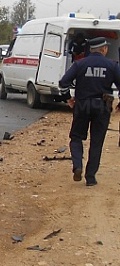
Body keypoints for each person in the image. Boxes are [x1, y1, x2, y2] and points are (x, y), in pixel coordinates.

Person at [58, 37, 120, 186]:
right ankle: (90, 177)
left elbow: (63, 83)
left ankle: (77, 165)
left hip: (82, 105)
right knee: (97, 142)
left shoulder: (80, 64)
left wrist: (68, 98)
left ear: (91, 50)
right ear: (103, 49)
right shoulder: (112, 65)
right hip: (102, 106)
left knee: (76, 137)